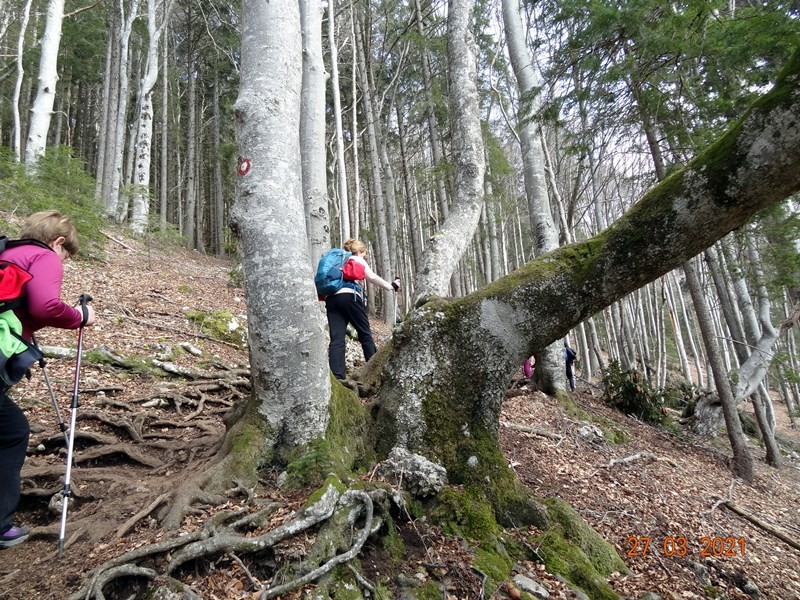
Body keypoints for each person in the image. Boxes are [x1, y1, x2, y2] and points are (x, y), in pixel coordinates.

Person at [0, 211, 96, 549]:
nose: (64, 262)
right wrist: (80, 316)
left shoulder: (7, 253)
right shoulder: (43, 256)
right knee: (11, 432)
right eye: (67, 255)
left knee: (11, 429)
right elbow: (45, 306)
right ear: (58, 242)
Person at [325, 239, 398, 381]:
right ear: (359, 251)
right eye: (364, 253)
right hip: (350, 296)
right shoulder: (355, 258)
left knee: (337, 339)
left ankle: (338, 376)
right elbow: (371, 277)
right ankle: (375, 374)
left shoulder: (338, 261)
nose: (364, 256)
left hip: (332, 299)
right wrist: (390, 286)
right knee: (365, 334)